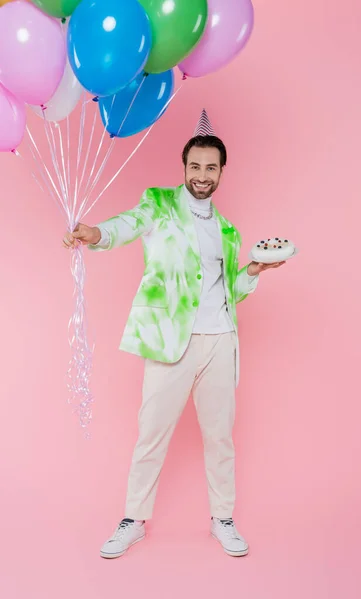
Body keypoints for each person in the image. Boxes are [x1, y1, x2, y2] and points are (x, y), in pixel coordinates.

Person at [63, 110, 285, 559]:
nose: (202, 175)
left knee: (220, 435)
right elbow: (127, 225)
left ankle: (223, 518)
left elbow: (228, 293)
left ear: (222, 171)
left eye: (211, 168)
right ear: (184, 168)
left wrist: (254, 271)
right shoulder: (160, 203)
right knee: (152, 433)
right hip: (170, 342)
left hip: (220, 341)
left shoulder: (227, 229)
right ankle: (133, 519)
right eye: (195, 166)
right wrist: (96, 233)